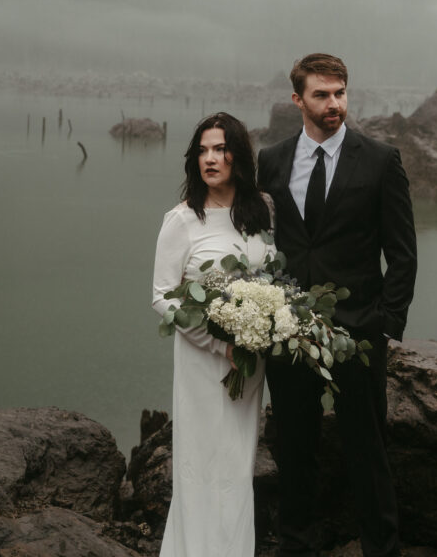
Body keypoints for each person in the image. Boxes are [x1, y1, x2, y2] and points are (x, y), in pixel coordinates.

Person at [258, 53, 417, 557]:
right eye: (322, 94)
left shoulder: (380, 159)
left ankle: (381, 548)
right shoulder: (272, 160)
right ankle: (296, 545)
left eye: (340, 93)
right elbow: (262, 243)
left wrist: (386, 326)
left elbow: (403, 253)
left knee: (368, 453)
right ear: (297, 100)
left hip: (359, 335)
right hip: (289, 332)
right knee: (294, 450)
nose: (334, 104)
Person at [152, 111, 273, 557]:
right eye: (203, 150)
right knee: (199, 466)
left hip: (250, 363)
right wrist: (218, 341)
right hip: (205, 364)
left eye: (221, 149)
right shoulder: (182, 220)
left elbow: (274, 281)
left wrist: (263, 325)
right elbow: (163, 297)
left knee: (237, 467)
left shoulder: (262, 211)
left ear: (238, 155)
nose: (210, 158)